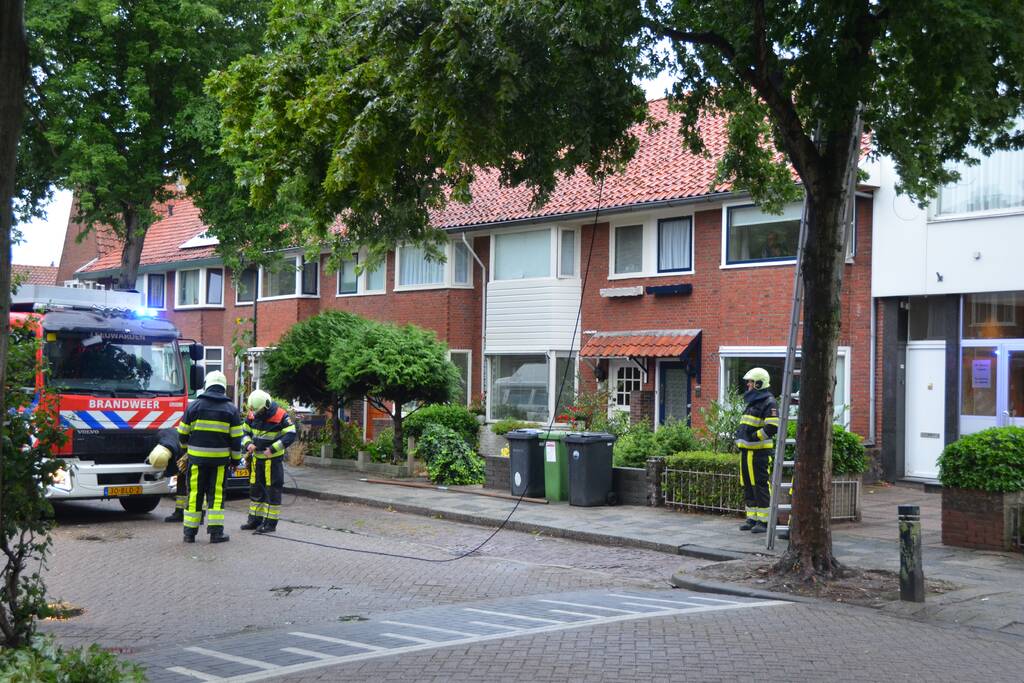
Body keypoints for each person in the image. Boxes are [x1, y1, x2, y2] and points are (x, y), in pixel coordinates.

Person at [176, 371, 244, 543]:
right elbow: (236, 441)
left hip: (196, 461)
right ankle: (215, 533)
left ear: (207, 385)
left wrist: (187, 451)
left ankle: (189, 534)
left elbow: (182, 435)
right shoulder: (231, 410)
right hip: (220, 463)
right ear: (222, 387)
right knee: (217, 495)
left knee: (194, 494)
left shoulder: (194, 406)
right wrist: (236, 460)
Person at [239, 389, 296, 534]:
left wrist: (272, 449)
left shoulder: (280, 415)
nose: (255, 414)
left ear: (267, 405)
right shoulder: (253, 412)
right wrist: (248, 444)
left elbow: (291, 434)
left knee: (272, 491)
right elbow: (244, 431)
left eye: (258, 411)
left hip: (272, 460)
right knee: (255, 489)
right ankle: (254, 520)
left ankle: (270, 524)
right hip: (256, 459)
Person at [734, 367, 780, 534]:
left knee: (760, 485)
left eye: (751, 382)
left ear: (759, 384)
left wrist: (754, 437)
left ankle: (764, 521)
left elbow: (773, 426)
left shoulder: (769, 402)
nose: (748, 384)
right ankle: (752, 518)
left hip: (760, 453)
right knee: (748, 485)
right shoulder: (753, 402)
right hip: (746, 452)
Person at [145, 427, 188, 523]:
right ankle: (180, 512)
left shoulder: (177, 450)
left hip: (188, 452)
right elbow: (152, 452)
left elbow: (172, 470)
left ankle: (194, 514)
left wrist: (161, 475)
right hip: (182, 445)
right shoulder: (158, 436)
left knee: (189, 484)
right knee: (182, 483)